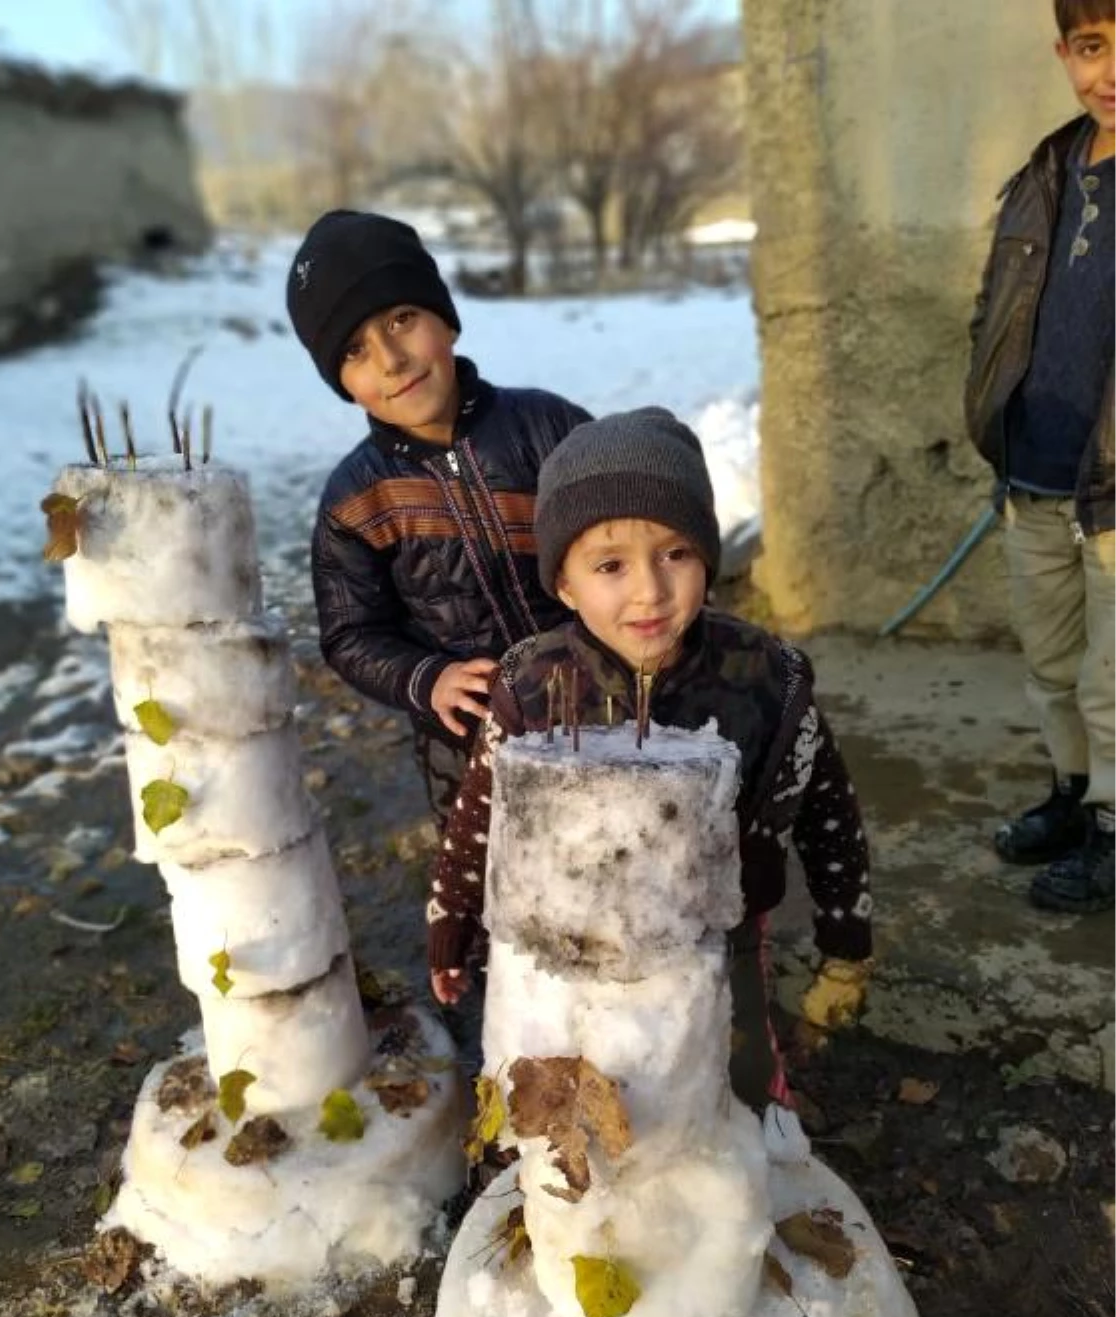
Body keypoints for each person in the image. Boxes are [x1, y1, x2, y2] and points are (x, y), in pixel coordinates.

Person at [426, 408, 874, 1110]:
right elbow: (483, 812)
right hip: (574, 937)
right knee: (592, 1086)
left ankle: (750, 1153)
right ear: (565, 584)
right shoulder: (533, 689)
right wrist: (452, 920)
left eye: (676, 554)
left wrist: (847, 938)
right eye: (610, 565)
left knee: (733, 1066)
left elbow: (826, 806)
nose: (650, 591)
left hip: (718, 934)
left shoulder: (764, 680)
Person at [286, 209, 591, 826]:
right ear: (341, 379)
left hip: (599, 699)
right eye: (356, 349)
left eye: (402, 319)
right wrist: (428, 678)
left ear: (445, 319)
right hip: (469, 743)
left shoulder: (549, 428)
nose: (392, 360)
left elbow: (630, 530)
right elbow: (351, 634)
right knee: (500, 881)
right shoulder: (356, 500)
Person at [964, 0, 1116, 913]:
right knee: (1052, 663)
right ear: (1065, 53)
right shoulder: (1049, 169)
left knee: (1112, 681)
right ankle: (1072, 796)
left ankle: (1112, 827)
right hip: (1036, 474)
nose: (1111, 71)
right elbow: (999, 305)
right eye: (1094, 47)